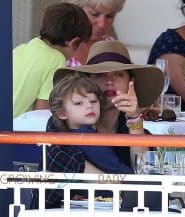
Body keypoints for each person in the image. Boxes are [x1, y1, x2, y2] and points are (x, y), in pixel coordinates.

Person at [35, 40, 164, 209]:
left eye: (118, 74)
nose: (110, 81)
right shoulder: (62, 121)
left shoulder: (138, 132)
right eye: (100, 75)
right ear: (86, 83)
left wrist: (134, 120)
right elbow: (63, 160)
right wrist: (116, 185)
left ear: (130, 83)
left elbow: (146, 176)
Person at [13, 2, 92, 118]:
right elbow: (41, 115)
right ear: (74, 43)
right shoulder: (56, 60)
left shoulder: (22, 49)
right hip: (9, 132)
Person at [63, 0, 126, 66]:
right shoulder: (53, 45)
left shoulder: (113, 47)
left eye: (109, 16)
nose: (102, 25)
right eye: (95, 14)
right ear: (75, 9)